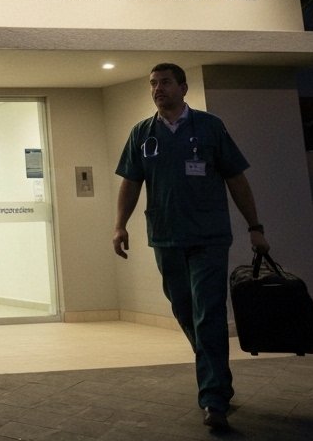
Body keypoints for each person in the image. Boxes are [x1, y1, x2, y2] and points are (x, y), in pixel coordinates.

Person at [112, 63, 269, 430]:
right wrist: (119, 225)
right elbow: (131, 182)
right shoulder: (142, 134)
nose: (158, 89)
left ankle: (213, 398)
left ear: (183, 87)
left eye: (165, 82)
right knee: (185, 310)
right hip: (166, 236)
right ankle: (216, 374)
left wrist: (255, 227)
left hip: (209, 237)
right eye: (153, 84)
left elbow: (236, 177)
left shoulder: (210, 127)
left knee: (208, 312)